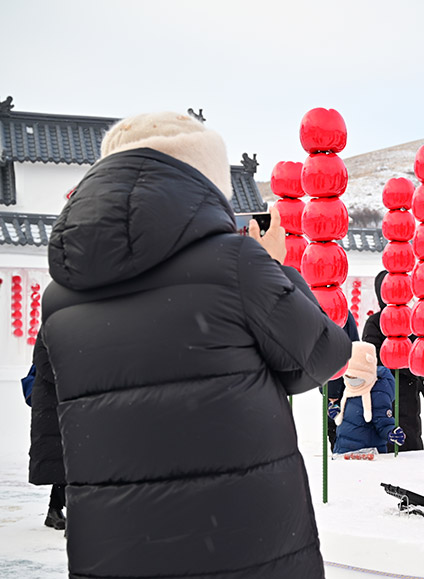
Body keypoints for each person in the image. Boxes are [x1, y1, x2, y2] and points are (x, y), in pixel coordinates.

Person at [39, 112, 351, 579]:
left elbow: (62, 415)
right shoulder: (236, 262)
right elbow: (322, 355)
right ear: (205, 181)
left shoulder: (60, 293)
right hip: (238, 541)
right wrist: (277, 266)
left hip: (115, 543)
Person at [362, 270, 424, 451]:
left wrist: (418, 376)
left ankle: (411, 456)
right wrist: (402, 366)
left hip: (408, 387)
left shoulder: (410, 320)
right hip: (383, 387)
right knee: (388, 426)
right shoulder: (375, 322)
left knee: (409, 428)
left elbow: (417, 350)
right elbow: (371, 357)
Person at [331, 341, 406, 455]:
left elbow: (383, 422)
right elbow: (351, 415)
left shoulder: (377, 393)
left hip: (367, 456)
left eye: (355, 377)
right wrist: (337, 412)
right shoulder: (349, 388)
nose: (351, 380)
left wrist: (391, 432)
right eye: (348, 376)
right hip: (344, 452)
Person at [25, 350, 66, 531]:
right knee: (61, 456)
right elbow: (43, 363)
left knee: (71, 456)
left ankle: (55, 509)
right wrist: (71, 379)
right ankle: (56, 509)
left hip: (67, 398)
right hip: (52, 400)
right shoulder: (48, 333)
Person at [322, 315, 360, 450]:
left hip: (340, 381)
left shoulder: (342, 315)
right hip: (337, 381)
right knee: (339, 424)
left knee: (339, 425)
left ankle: (339, 451)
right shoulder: (344, 315)